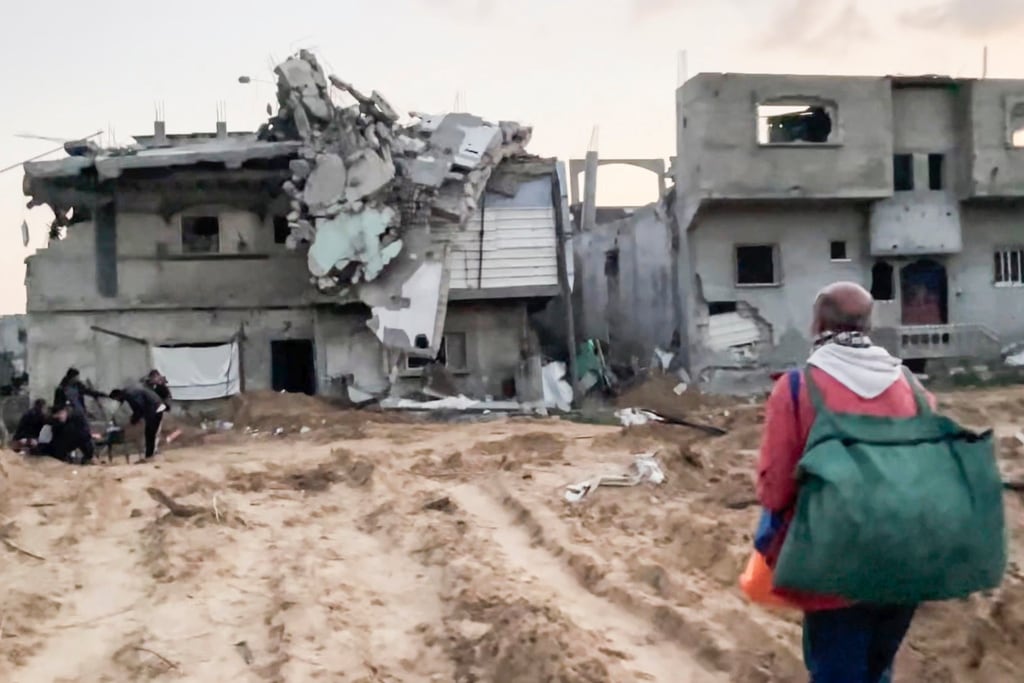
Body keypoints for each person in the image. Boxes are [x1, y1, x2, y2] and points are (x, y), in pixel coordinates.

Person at [757, 281, 932, 683]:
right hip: (905, 565)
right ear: (869, 325)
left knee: (838, 670)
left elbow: (776, 489)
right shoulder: (910, 384)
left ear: (817, 323)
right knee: (876, 669)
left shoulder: (798, 388)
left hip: (834, 568)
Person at [109, 386, 163, 461]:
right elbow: (138, 408)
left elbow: (139, 408)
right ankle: (149, 456)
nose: (118, 401)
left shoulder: (130, 395)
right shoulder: (129, 392)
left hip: (155, 408)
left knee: (150, 433)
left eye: (116, 399)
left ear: (118, 395)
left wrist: (134, 419)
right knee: (149, 433)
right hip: (155, 406)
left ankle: (150, 457)